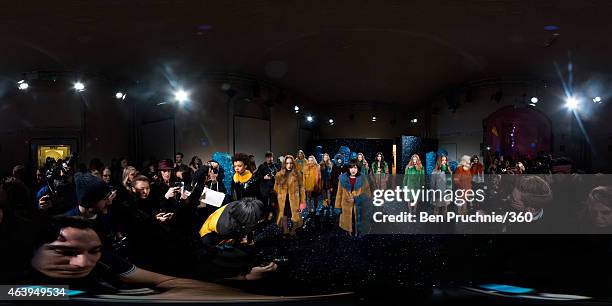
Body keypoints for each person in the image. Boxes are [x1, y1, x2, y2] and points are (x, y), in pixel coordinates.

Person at [24, 215, 263, 297]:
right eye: (65, 252)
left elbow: (164, 281)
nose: (83, 262)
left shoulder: (107, 261)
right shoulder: (12, 276)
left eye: (93, 251)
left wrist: (239, 282)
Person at [336, 160, 371, 236]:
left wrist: (356, 199)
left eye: (355, 167)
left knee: (357, 224)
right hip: (346, 206)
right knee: (347, 224)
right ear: (348, 169)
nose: (353, 170)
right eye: (351, 168)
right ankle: (349, 233)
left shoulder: (363, 178)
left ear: (358, 168)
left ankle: (357, 234)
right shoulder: (342, 178)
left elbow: (367, 194)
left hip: (359, 207)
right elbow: (339, 194)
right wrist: (338, 207)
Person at [274, 155, 305, 236]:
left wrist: (302, 202)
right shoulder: (279, 175)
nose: (289, 165)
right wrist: (278, 197)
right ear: (284, 163)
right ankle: (285, 230)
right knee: (284, 214)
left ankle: (293, 229)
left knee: (294, 214)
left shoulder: (297, 174)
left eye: (291, 163)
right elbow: (275, 188)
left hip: (295, 198)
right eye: (287, 163)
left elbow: (302, 188)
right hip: (283, 199)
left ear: (293, 164)